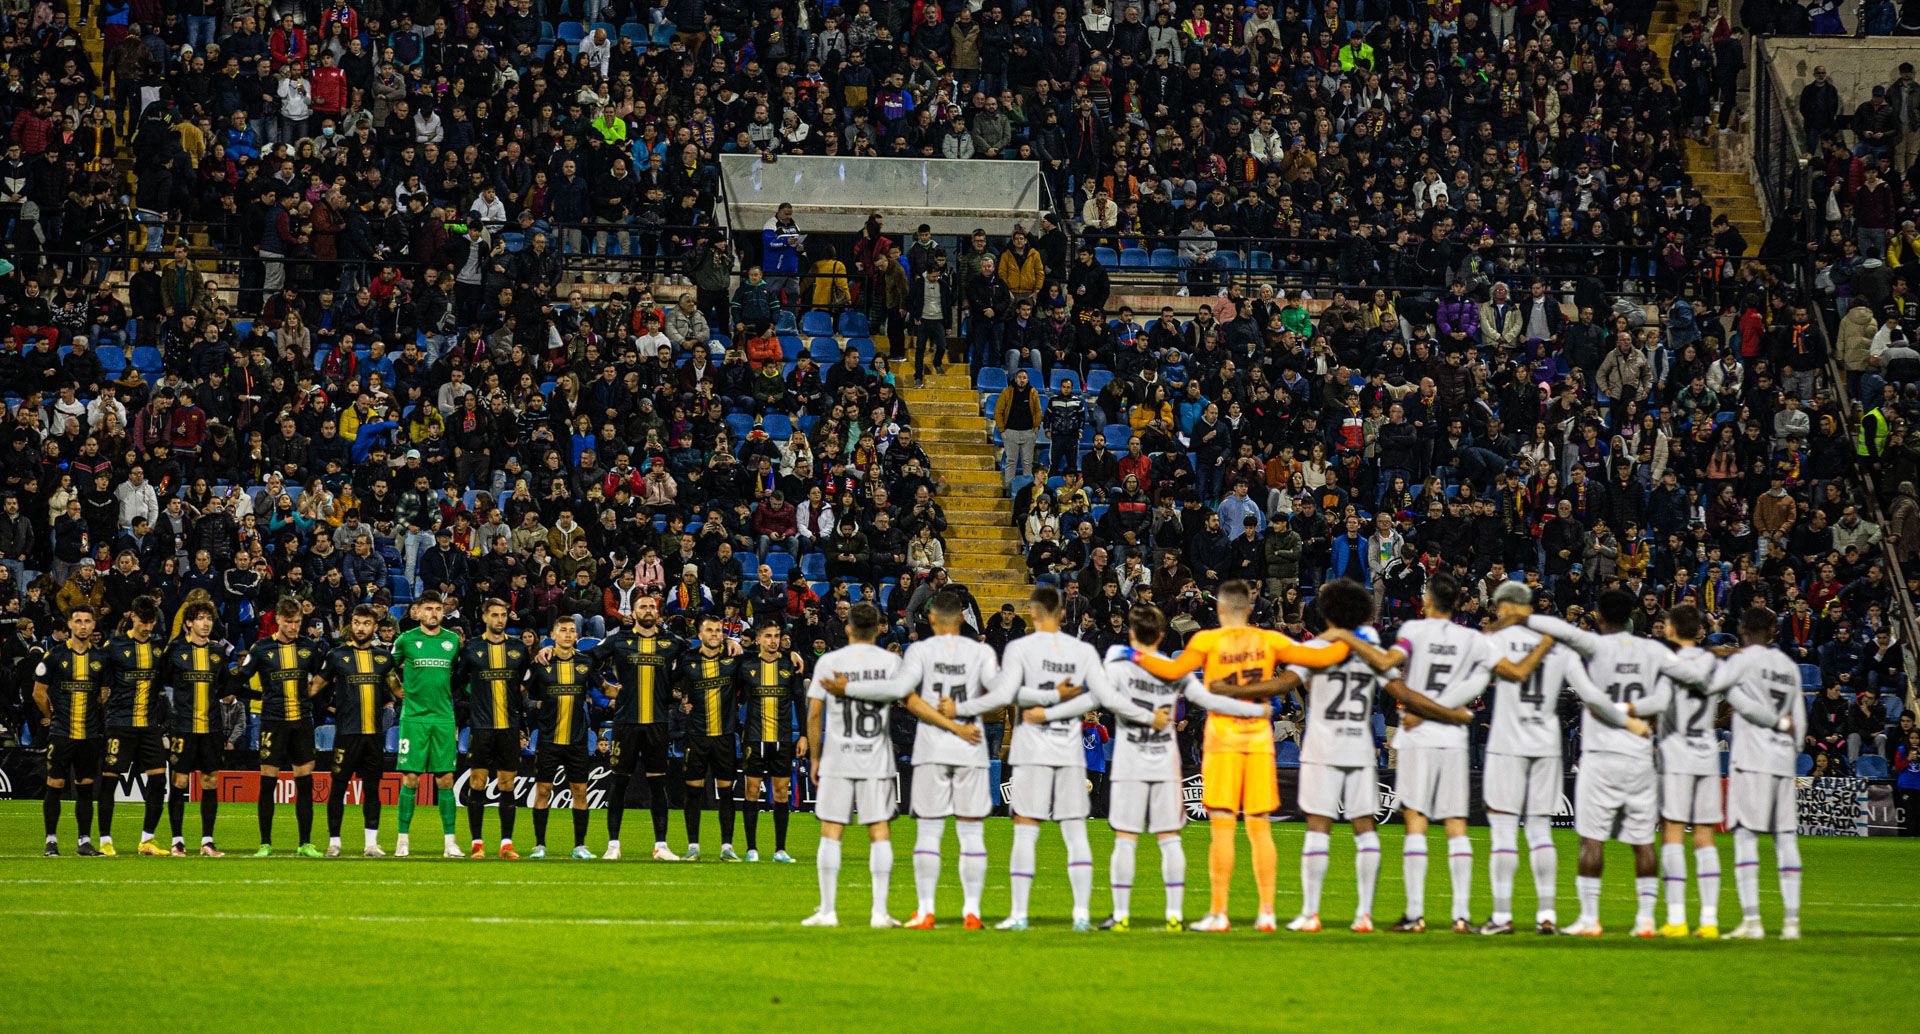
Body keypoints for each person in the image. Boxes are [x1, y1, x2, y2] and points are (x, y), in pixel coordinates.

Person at [1231, 579, 1475, 933]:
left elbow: (1281, 684)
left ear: (1326, 611)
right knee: (1365, 829)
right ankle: (1364, 914)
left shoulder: (1316, 648)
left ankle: (1311, 913)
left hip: (1322, 747)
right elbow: (1401, 691)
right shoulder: (1370, 649)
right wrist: (1449, 712)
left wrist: (1238, 689)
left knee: (1318, 827)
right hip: (1359, 746)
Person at [1126, 579, 1349, 932]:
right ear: (1249, 608)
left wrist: (1133, 653)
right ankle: (1267, 912)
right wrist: (1346, 634)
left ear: (1218, 609)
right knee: (1259, 827)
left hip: (1222, 737)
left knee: (1224, 826)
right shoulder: (1267, 639)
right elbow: (1325, 657)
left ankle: (1219, 912)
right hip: (1259, 737)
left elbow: (1170, 671)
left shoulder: (1206, 640)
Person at [1340, 570, 1554, 933]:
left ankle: (1415, 914)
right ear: (1457, 603)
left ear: (1426, 601)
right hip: (1453, 738)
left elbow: (1387, 663)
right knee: (1457, 825)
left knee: (1416, 823)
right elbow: (1514, 673)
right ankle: (1460, 915)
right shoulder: (1473, 639)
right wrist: (1546, 642)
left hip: (1418, 739)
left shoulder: (1412, 632)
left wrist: (1346, 636)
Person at [1525, 590, 1704, 937]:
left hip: (1600, 756)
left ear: (1599, 616)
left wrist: (1518, 614)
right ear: (1632, 615)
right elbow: (1694, 678)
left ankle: (1590, 919)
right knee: (1643, 841)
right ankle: (1647, 920)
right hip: (1639, 756)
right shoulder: (1653, 650)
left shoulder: (1595, 646)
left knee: (1592, 839)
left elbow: (1556, 629)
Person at [1465, 581, 1638, 935]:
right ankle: (1547, 914)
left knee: (1503, 829)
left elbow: (1472, 688)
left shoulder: (1494, 642)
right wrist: (1628, 720)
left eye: (1500, 607)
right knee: (1541, 829)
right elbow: (1591, 695)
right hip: (1546, 743)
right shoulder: (1558, 648)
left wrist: (1436, 708)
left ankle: (1502, 916)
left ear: (1509, 607)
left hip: (1506, 744)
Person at [822, 589, 1000, 926]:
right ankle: (972, 911)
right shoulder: (982, 652)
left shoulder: (919, 650)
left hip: (931, 749)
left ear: (931, 619)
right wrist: (965, 714)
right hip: (971, 749)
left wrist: (848, 689)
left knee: (929, 832)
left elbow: (896, 692)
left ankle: (926, 910)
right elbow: (1000, 694)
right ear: (963, 618)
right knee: (972, 831)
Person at [946, 585, 1117, 931]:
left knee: (1025, 831)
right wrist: (1060, 702)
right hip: (1067, 751)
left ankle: (1020, 914)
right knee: (1074, 831)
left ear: (1034, 614)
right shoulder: (1080, 651)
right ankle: (1082, 915)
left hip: (1031, 750)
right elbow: (1101, 695)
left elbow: (1005, 693)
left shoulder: (1020, 648)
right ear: (1064, 614)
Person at [1098, 604, 1264, 931]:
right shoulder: (1177, 670)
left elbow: (1107, 699)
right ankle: (1174, 915)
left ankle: (1120, 915)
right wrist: (1249, 708)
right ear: (1162, 635)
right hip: (1164, 762)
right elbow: (1208, 699)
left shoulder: (1117, 665)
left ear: (1132, 633)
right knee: (1170, 838)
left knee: (1126, 838)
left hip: (1130, 761)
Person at [1712, 606, 1807, 940]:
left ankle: (1752, 921)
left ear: (1742, 630)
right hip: (1781, 762)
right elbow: (1800, 720)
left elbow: (1713, 686)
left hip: (1750, 760)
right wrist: (1788, 750)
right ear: (1773, 631)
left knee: (1746, 837)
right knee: (1785, 837)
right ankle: (1791, 922)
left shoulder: (1742, 661)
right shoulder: (1788, 667)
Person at [1648, 603, 1727, 938]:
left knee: (1674, 833)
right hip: (1706, 753)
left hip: (1677, 754)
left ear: (1670, 629)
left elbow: (1657, 706)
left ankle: (1677, 918)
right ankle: (1709, 920)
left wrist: (1624, 710)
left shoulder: (1670, 665)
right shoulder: (1712, 664)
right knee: (1706, 837)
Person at [586, 594, 685, 860]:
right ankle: (613, 845)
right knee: (618, 784)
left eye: (652, 606)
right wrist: (603, 687)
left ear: (658, 612)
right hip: (626, 722)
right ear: (634, 612)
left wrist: (674, 687)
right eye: (643, 606)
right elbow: (586, 660)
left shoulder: (671, 642)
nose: (649, 610)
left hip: (657, 723)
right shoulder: (619, 640)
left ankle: (661, 846)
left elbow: (696, 659)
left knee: (657, 785)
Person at [234, 598, 325, 858]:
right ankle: (265, 843)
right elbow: (240, 677)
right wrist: (249, 695)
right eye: (289, 622)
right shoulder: (262, 648)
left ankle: (305, 843)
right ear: (279, 621)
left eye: (298, 622)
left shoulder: (308, 647)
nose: (295, 627)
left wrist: (313, 697)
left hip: (301, 722)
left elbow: (323, 677)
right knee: (268, 783)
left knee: (305, 783)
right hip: (272, 722)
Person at [310, 604, 399, 857]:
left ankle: (371, 844)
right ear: (352, 624)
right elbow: (316, 686)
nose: (361, 628)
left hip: (374, 735)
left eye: (367, 623)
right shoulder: (338, 655)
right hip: (346, 735)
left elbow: (398, 690)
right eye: (358, 622)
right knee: (338, 788)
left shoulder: (384, 658)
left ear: (375, 627)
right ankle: (334, 842)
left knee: (372, 789)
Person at [94, 597, 171, 856]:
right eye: (144, 621)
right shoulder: (114, 646)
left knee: (159, 780)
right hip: (119, 724)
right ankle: (105, 839)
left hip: (148, 725)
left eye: (152, 622)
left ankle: (147, 839)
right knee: (109, 781)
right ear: (133, 618)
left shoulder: (158, 649)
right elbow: (100, 682)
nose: (147, 627)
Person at [456, 597, 532, 859]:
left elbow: (527, 682)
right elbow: (457, 682)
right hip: (482, 727)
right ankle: (477, 844)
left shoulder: (519, 648)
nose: (499, 619)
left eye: (503, 615)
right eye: (495, 615)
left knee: (507, 784)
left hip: (509, 727)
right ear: (485, 617)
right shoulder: (471, 649)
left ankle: (506, 844)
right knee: (478, 782)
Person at [391, 593, 464, 859]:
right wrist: (397, 690)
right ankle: (402, 841)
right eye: (428, 609)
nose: (434, 613)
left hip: (443, 718)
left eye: (438, 609)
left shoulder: (452, 641)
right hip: (414, 719)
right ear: (418, 612)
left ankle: (450, 843)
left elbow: (461, 675)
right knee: (410, 778)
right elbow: (387, 667)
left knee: (445, 780)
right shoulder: (406, 640)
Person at [162, 600, 236, 856]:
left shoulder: (217, 654)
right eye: (201, 618)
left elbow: (226, 687)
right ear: (188, 623)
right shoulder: (176, 651)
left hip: (212, 728)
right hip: (183, 727)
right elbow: (160, 683)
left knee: (209, 781)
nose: (206, 623)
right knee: (179, 781)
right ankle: (177, 840)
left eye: (209, 619)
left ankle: (207, 841)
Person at [33, 606, 108, 856]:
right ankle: (51, 841)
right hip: (62, 732)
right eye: (78, 621)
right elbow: (38, 693)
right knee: (55, 783)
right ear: (70, 625)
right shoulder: (53, 656)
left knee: (85, 786)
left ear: (94, 625)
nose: (83, 626)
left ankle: (84, 842)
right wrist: (50, 717)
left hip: (90, 734)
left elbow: (104, 694)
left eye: (88, 621)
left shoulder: (100, 658)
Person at [526, 615, 600, 860]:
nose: (568, 634)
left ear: (577, 636)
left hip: (577, 740)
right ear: (553, 636)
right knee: (543, 790)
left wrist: (622, 693)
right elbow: (523, 691)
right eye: (563, 630)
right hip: (548, 739)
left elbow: (605, 688)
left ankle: (580, 846)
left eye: (572, 630)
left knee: (580, 791)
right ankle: (539, 845)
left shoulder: (585, 662)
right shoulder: (540, 663)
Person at [674, 614, 743, 861]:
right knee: (693, 791)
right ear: (700, 635)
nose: (715, 634)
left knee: (725, 791)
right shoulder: (688, 660)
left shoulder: (734, 657)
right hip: (697, 736)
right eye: (710, 630)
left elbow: (764, 653)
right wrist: (681, 703)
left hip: (724, 735)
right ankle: (693, 846)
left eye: (718, 630)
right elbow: (667, 684)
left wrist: (794, 655)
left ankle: (727, 847)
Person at [734, 623, 804, 863]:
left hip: (782, 738)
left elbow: (799, 701)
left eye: (777, 636)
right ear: (758, 640)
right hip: (754, 737)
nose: (773, 641)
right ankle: (751, 849)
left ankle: (780, 850)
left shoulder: (790, 665)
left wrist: (803, 734)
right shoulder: (747, 665)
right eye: (768, 637)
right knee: (751, 791)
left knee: (781, 793)